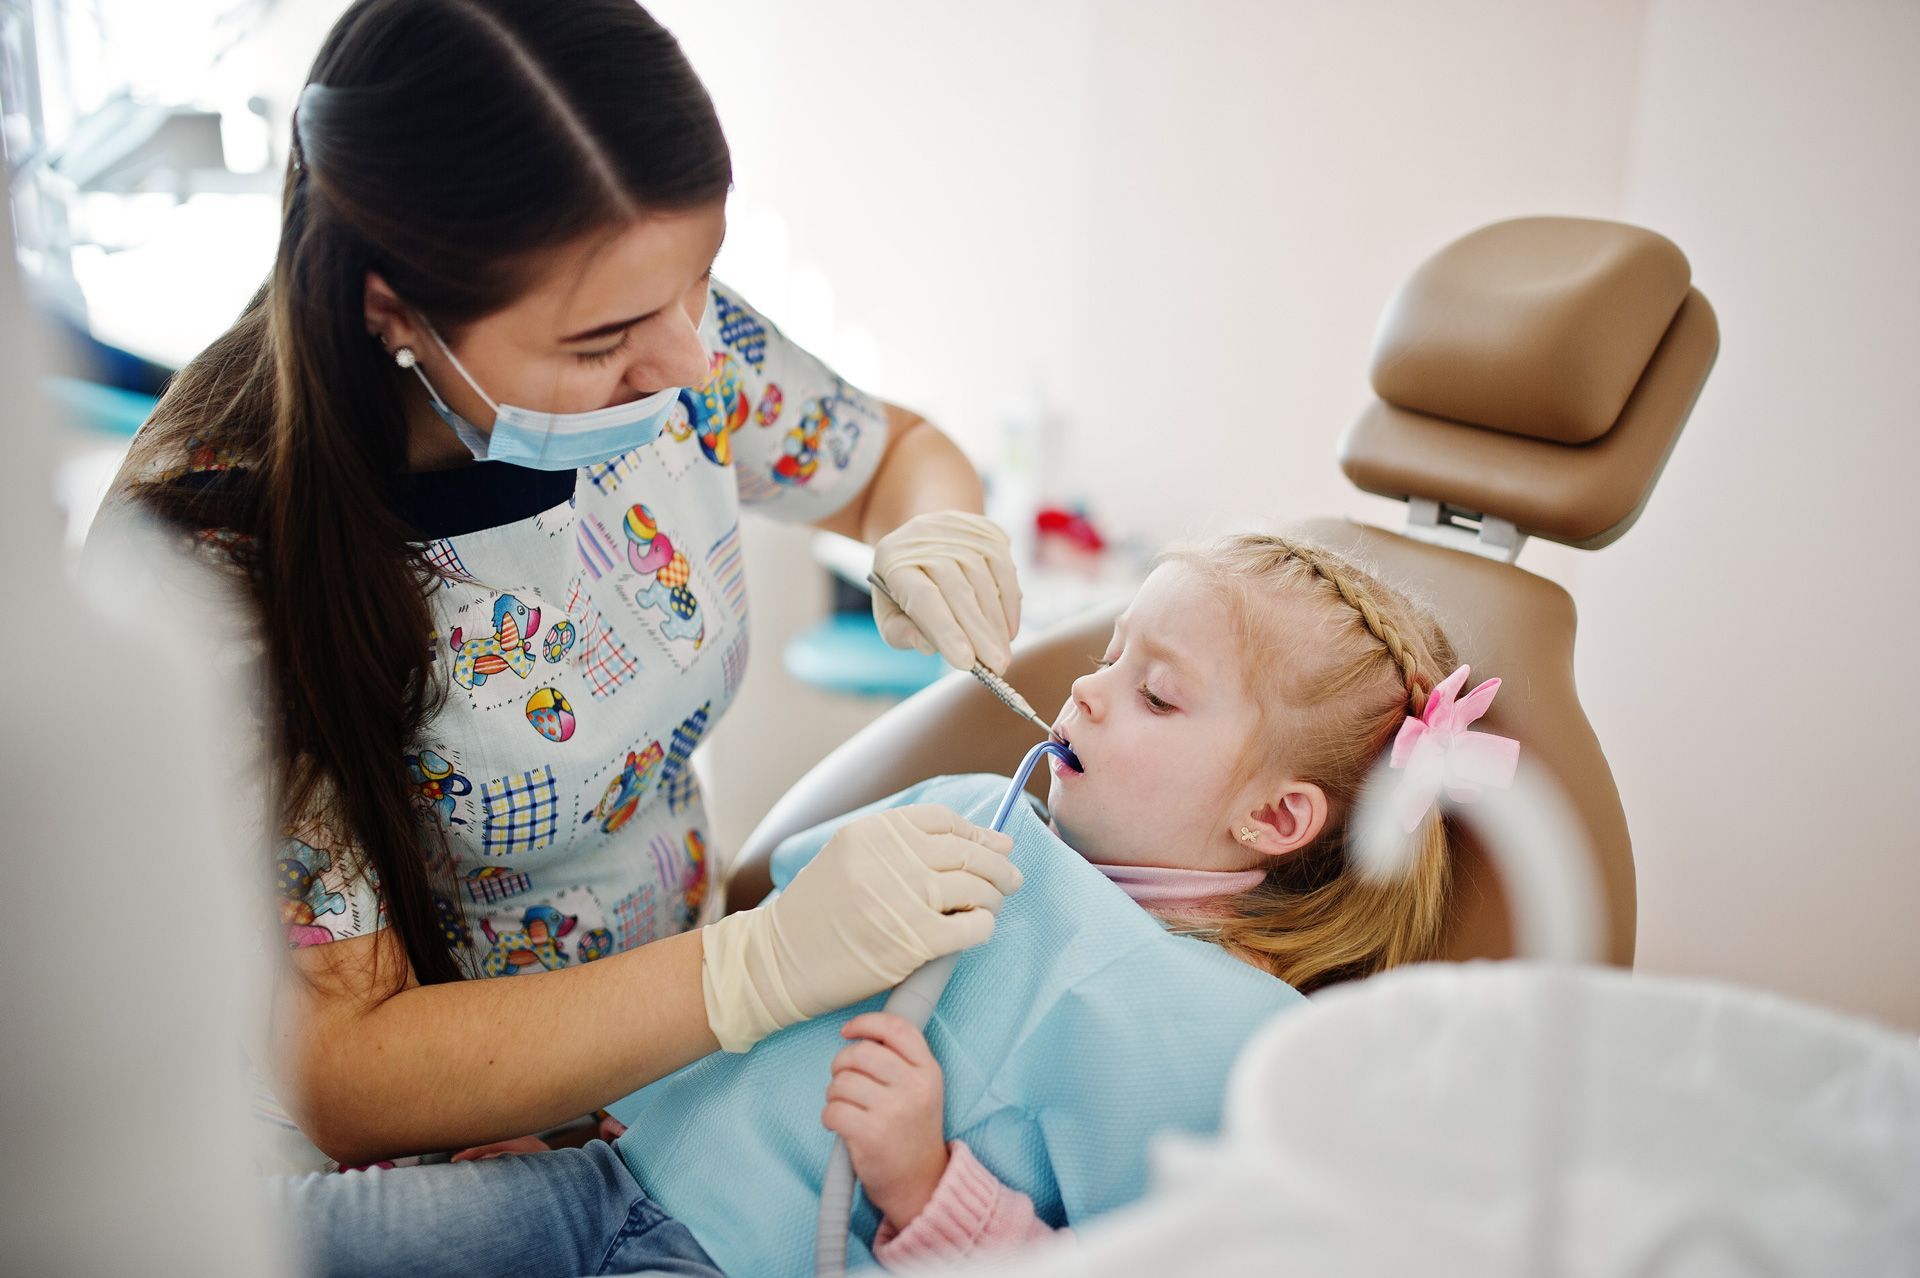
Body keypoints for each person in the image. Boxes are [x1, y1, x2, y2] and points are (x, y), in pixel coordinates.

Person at [94, 0, 1026, 1177]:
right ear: (397, 312)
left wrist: (935, 526)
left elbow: (892, 454)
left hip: (680, 1084)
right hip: (418, 1166)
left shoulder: (667, 333)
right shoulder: (216, 561)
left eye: (701, 285)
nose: (689, 364)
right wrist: (760, 966)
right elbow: (344, 1065)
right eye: (601, 346)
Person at [273, 533, 1519, 1276]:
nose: (1084, 694)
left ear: (1277, 819)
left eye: (1156, 695)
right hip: (599, 1179)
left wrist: (927, 1186)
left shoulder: (1213, 1031)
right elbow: (749, 982)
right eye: (1109, 657)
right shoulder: (979, 809)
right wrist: (583, 1114)